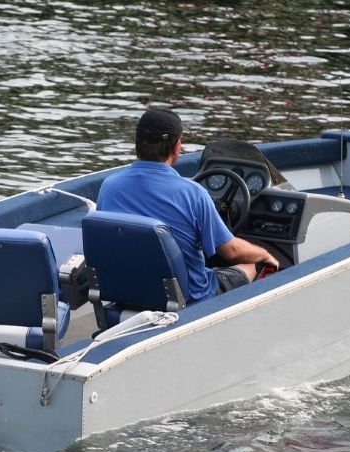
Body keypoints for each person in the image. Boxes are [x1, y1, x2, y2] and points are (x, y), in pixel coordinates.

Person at [97, 106, 279, 304]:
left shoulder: (109, 187)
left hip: (131, 294)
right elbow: (232, 251)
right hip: (189, 298)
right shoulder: (193, 193)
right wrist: (265, 254)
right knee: (253, 262)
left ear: (137, 143)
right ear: (177, 147)